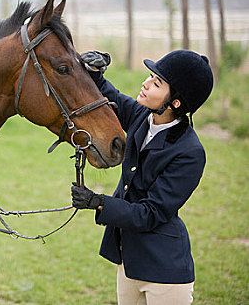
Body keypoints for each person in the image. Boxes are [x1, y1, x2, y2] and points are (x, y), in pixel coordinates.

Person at [71, 50, 214, 305]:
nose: (145, 84)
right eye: (150, 76)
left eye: (156, 83)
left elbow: (150, 213)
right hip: (129, 262)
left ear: (176, 103)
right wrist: (95, 74)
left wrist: (98, 202)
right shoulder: (143, 116)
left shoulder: (190, 153)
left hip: (164, 271)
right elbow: (111, 97)